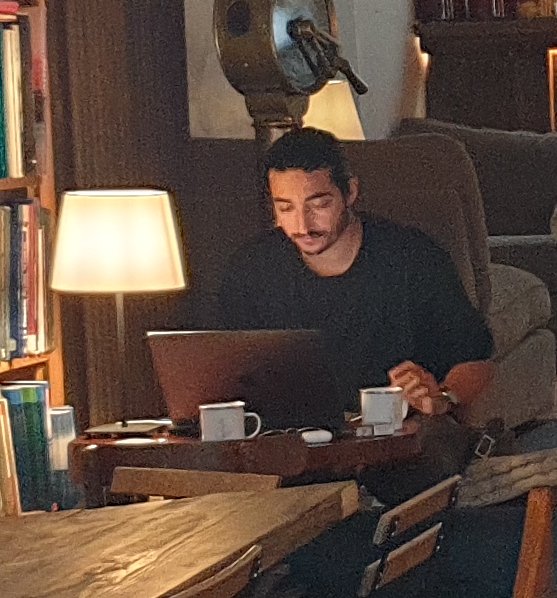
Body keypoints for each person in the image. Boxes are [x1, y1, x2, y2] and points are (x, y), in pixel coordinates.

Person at [204, 126, 493, 423]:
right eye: (286, 208)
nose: (303, 226)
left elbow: (477, 361)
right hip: (284, 436)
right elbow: (223, 372)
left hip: (396, 434)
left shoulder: (413, 258)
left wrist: (442, 397)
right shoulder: (251, 269)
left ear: (350, 192)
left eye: (319, 204)